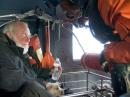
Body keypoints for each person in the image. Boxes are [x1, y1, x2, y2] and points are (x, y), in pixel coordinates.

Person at [58, 0, 130, 96]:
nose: (64, 11)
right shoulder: (103, 7)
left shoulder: (110, 4)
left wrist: (107, 54)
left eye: (63, 5)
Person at [0, 20, 55, 97]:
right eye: (23, 35)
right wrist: (45, 84)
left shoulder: (18, 51)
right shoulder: (3, 51)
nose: (28, 40)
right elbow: (13, 82)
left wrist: (49, 72)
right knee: (33, 88)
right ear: (9, 35)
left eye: (29, 36)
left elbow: (30, 72)